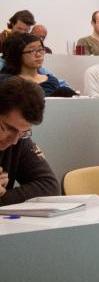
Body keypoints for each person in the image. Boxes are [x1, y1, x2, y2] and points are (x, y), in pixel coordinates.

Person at [0, 76, 60, 205]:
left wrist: (4, 198)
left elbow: (49, 187)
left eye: (23, 132)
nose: (14, 141)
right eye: (9, 128)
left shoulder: (20, 139)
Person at [0, 33, 72, 97]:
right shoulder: (7, 81)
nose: (38, 54)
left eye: (40, 49)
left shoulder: (51, 80)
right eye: (32, 50)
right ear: (18, 54)